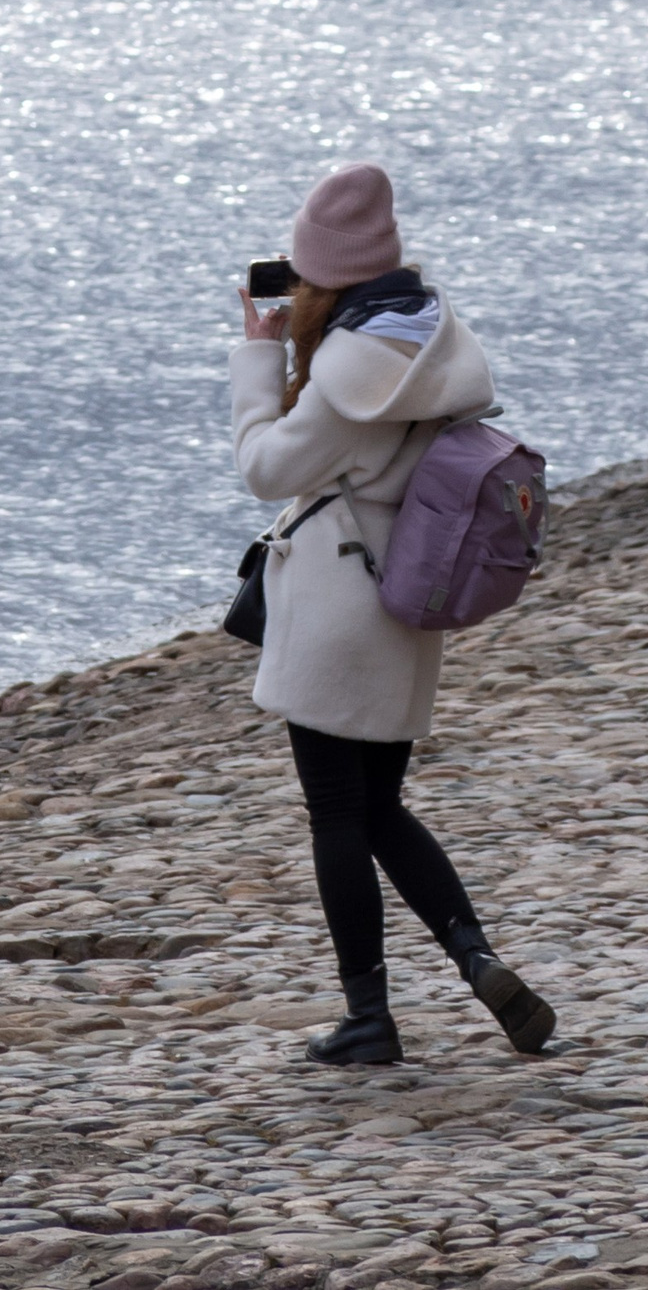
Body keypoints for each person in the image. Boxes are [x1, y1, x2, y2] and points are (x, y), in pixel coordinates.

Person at [232, 160, 555, 1068]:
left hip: (337, 596)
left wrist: (260, 356)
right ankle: (475, 953)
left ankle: (368, 1016)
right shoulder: (430, 336)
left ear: (322, 273)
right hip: (408, 593)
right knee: (381, 806)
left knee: (336, 812)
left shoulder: (345, 370)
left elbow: (266, 468)